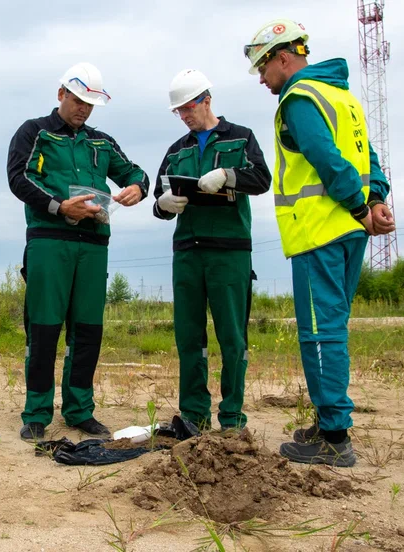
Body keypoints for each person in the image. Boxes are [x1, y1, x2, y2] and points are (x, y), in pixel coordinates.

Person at [244, 19, 395, 466]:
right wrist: (377, 198)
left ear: (283, 58)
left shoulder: (300, 98)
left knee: (319, 333)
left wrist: (357, 205)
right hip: (349, 233)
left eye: (262, 67)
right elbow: (368, 155)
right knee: (332, 327)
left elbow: (326, 158)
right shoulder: (342, 97)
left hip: (320, 232)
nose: (260, 78)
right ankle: (331, 420)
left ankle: (333, 436)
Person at [7, 62, 149, 441]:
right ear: (61, 95)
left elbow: (135, 172)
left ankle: (79, 410)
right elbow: (18, 178)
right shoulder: (34, 132)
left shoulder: (101, 142)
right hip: (50, 241)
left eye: (91, 104)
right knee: (44, 328)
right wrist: (58, 206)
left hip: (94, 246)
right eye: (78, 100)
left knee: (87, 331)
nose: (83, 109)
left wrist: (138, 188)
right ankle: (36, 411)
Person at [153, 69, 271, 435]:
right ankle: (194, 414)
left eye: (188, 108)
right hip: (187, 252)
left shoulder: (241, 138)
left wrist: (228, 176)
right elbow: (158, 202)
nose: (185, 116)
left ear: (206, 99)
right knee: (189, 336)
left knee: (232, 336)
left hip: (230, 252)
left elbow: (262, 180)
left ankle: (233, 418)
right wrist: (164, 204)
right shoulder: (177, 151)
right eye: (178, 112)